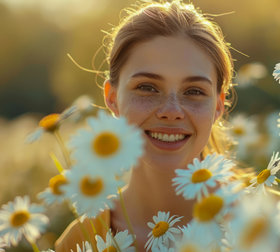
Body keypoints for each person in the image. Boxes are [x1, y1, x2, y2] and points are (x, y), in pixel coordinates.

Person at [55, 1, 235, 251]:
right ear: (112, 98)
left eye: (194, 91)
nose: (171, 111)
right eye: (147, 88)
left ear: (218, 106)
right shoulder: (79, 241)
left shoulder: (276, 225)